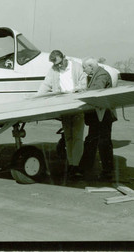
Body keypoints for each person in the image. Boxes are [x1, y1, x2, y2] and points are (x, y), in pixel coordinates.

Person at [37, 50, 87, 178]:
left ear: (64, 58)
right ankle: (71, 163)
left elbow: (83, 83)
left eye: (59, 63)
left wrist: (77, 90)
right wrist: (36, 97)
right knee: (68, 136)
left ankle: (76, 165)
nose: (58, 66)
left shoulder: (76, 66)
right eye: (55, 64)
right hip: (63, 106)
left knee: (77, 136)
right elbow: (46, 84)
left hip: (76, 105)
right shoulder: (53, 69)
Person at [79, 57, 118, 181]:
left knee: (103, 143)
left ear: (91, 66)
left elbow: (97, 89)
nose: (84, 71)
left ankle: (107, 172)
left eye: (84, 68)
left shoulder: (101, 75)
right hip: (98, 115)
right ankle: (85, 168)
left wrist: (82, 91)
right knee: (92, 141)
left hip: (103, 115)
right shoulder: (96, 74)